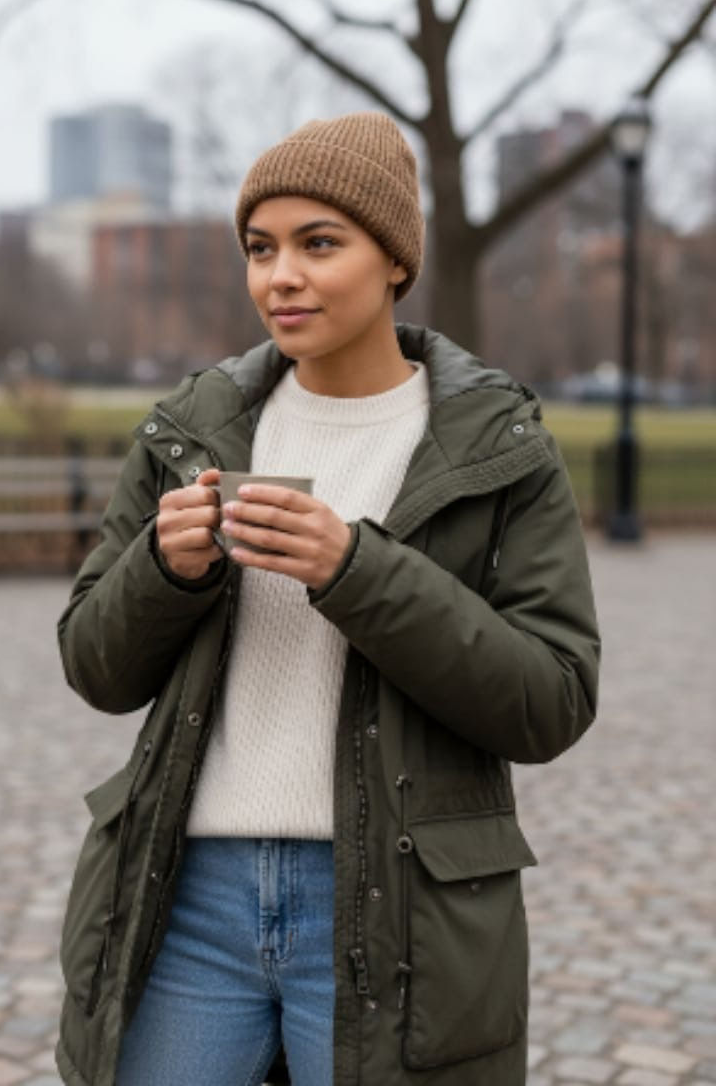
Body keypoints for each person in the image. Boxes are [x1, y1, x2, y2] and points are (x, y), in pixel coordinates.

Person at [54, 112, 600, 1086]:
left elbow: (550, 698)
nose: (280, 276)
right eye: (260, 248)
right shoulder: (192, 428)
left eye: (319, 244)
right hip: (188, 896)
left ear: (393, 260)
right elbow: (95, 668)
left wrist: (358, 570)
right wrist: (163, 572)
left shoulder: (496, 448)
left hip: (398, 907)